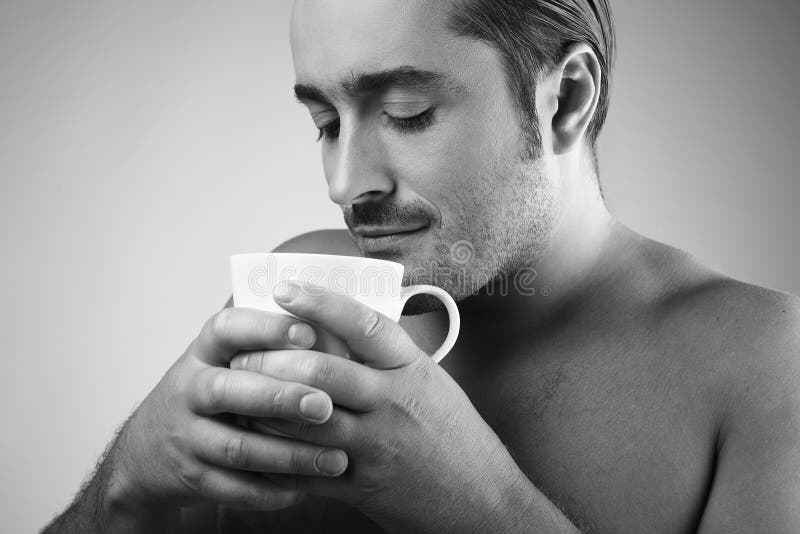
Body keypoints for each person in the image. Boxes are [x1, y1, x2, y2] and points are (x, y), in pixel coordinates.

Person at [44, 0, 800, 532]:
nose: (344, 185)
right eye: (324, 122)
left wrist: (475, 507)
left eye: (406, 112)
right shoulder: (301, 283)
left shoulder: (763, 367)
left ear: (565, 97)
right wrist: (125, 488)